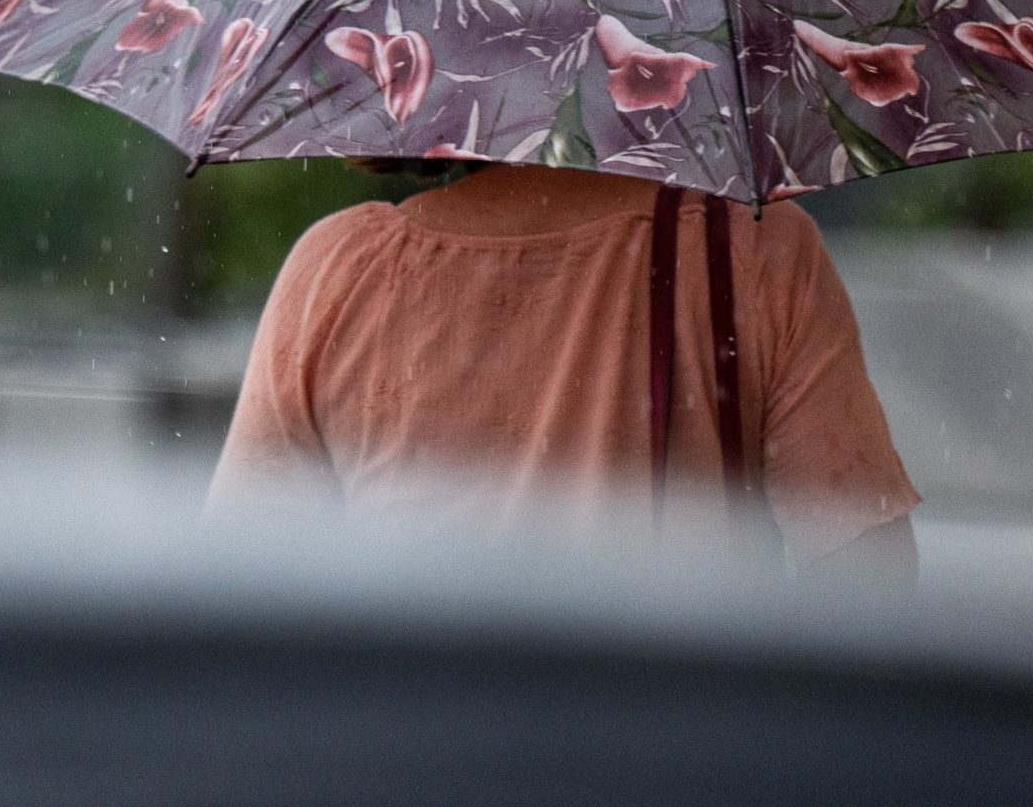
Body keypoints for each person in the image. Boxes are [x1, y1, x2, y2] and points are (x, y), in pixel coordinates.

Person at [209, 162, 920, 580]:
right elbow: (868, 582)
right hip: (675, 783)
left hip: (412, 787)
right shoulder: (750, 253)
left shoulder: (339, 270)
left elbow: (243, 592)